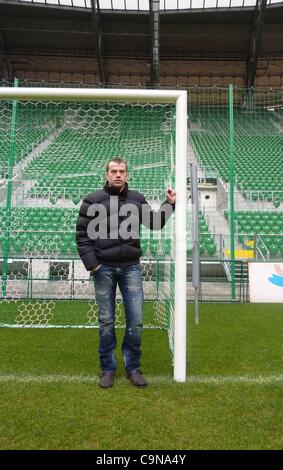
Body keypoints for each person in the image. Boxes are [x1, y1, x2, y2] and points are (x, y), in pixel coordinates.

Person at [76, 157, 176, 388]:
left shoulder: (136, 199)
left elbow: (154, 222)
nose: (118, 174)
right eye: (114, 171)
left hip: (131, 267)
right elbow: (82, 236)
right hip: (103, 268)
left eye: (122, 171)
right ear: (107, 174)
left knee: (136, 321)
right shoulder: (93, 200)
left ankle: (133, 368)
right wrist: (94, 265)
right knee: (106, 321)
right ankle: (108, 369)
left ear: (127, 174)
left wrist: (169, 203)